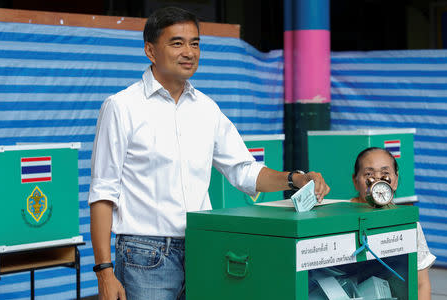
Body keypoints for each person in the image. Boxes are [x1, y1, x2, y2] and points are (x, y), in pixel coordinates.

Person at [88, 6, 330, 300]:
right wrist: (104, 270)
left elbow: (244, 171)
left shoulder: (207, 109)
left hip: (203, 244)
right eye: (177, 43)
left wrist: (295, 179)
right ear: (150, 51)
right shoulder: (122, 107)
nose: (189, 52)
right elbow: (103, 192)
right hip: (145, 255)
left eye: (195, 43)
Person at [351, 147, 436, 300]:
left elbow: (421, 284)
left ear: (395, 181)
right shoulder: (341, 219)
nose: (377, 180)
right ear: (355, 181)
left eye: (385, 174)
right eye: (369, 174)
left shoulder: (408, 223)